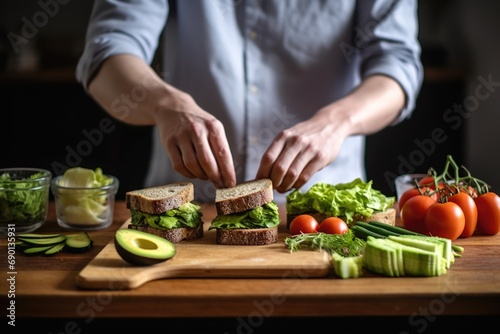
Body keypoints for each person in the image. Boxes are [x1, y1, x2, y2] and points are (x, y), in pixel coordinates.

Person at [76, 0, 423, 203]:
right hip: (185, 200)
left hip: (321, 206)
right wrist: (166, 104)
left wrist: (337, 121)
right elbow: (108, 51)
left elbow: (397, 64)